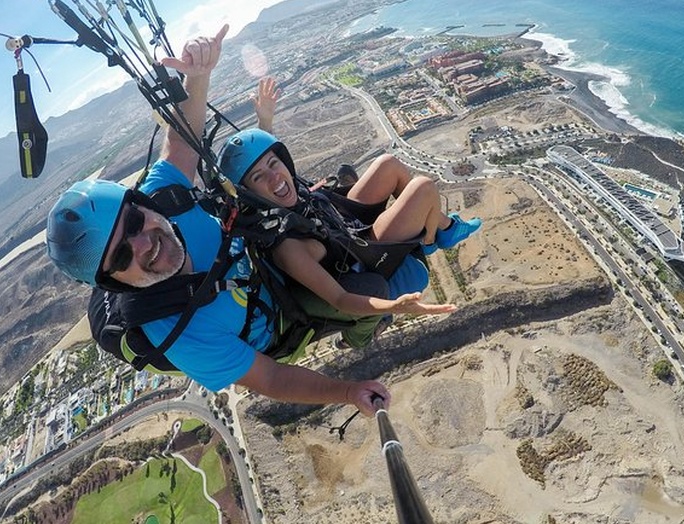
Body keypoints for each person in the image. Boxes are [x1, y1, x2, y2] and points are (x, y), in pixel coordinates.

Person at [46, 26, 446, 416]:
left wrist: (198, 78)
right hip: (279, 319)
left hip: (265, 259)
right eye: (120, 257)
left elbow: (182, 143)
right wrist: (348, 391)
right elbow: (271, 379)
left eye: (133, 222)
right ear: (112, 280)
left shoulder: (165, 197)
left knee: (337, 209)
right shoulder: (179, 333)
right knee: (405, 279)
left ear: (141, 202)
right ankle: (362, 334)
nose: (142, 244)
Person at [217, 80, 483, 338]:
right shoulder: (288, 247)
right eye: (258, 177)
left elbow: (264, 162)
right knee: (423, 188)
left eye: (274, 163)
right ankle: (432, 238)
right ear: (249, 193)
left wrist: (265, 121)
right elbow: (340, 298)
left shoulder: (280, 194)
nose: (274, 178)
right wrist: (391, 308)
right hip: (361, 256)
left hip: (342, 225)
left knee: (388, 165)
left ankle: (442, 229)